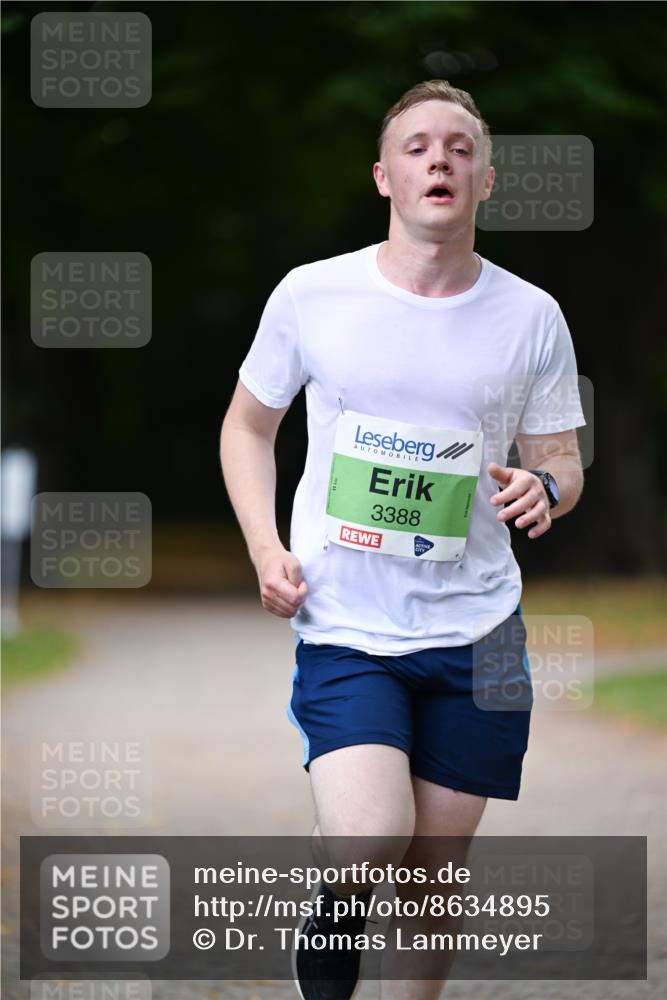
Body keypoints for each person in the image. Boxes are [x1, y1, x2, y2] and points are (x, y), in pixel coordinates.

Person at [220, 79, 585, 1000]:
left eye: (459, 148)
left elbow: (560, 461)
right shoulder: (313, 293)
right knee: (368, 838)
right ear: (384, 176)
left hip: (480, 629)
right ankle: (336, 908)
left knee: (432, 870)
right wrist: (264, 547)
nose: (439, 160)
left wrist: (544, 487)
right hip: (348, 620)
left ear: (485, 180)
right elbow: (247, 427)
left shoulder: (530, 314)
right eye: (417, 147)